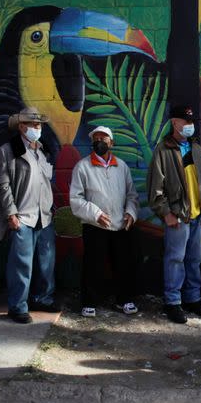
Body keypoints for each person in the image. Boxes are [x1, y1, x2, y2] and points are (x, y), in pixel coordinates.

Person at [147, 105, 201, 324]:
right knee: (175, 259)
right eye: (185, 122)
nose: (189, 126)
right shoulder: (163, 150)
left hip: (195, 214)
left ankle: (192, 298)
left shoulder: (194, 148)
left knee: (194, 259)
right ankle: (173, 302)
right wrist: (165, 212)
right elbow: (155, 186)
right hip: (177, 215)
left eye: (191, 122)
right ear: (175, 123)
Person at [0, 107, 59, 324]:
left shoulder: (43, 149)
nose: (37, 128)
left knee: (46, 262)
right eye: (32, 124)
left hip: (44, 215)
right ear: (21, 127)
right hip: (22, 215)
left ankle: (43, 298)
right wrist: (11, 213)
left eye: (39, 125)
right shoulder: (8, 150)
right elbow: (2, 185)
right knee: (21, 264)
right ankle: (18, 306)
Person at [70, 125, 140, 318]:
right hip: (95, 225)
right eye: (96, 138)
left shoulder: (122, 167)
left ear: (112, 142)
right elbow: (76, 199)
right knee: (93, 265)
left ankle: (125, 300)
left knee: (124, 264)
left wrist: (130, 213)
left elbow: (132, 195)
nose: (99, 141)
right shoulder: (83, 167)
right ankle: (89, 302)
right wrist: (95, 214)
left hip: (120, 224)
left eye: (104, 138)